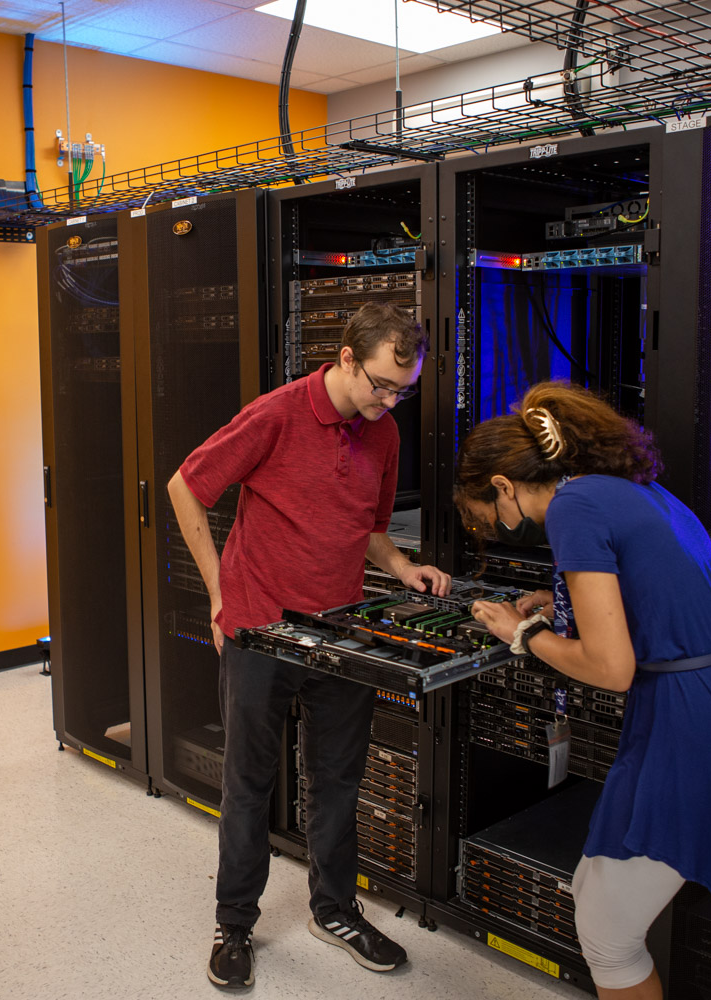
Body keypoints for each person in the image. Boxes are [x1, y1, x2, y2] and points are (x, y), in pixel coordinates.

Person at [167, 302, 452, 990]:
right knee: (248, 783)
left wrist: (403, 568)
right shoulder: (278, 413)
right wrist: (218, 593)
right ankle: (233, 923)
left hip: (340, 632)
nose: (390, 403)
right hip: (261, 628)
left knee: (337, 780)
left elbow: (369, 529)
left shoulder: (382, 434)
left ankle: (334, 909)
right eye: (381, 385)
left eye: (403, 391)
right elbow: (186, 486)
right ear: (347, 358)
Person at [454, 381, 711, 1000]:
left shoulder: (573, 509)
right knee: (596, 895)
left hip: (691, 724)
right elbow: (656, 585)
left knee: (607, 933)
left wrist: (521, 633)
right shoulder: (621, 488)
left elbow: (610, 666)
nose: (493, 529)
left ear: (502, 485)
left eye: (484, 517)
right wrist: (560, 599)